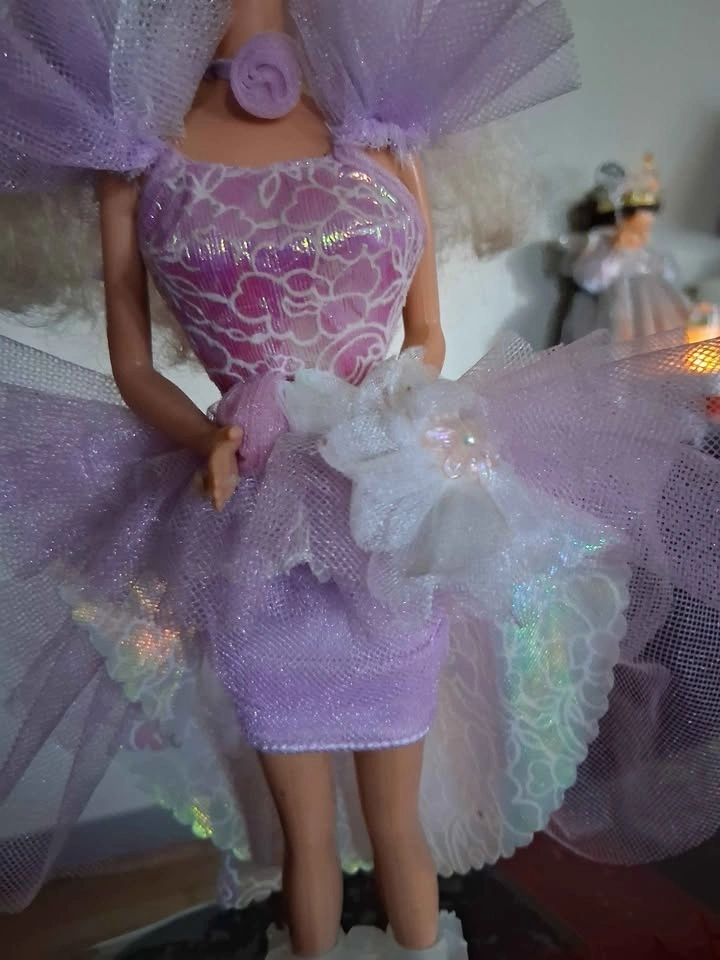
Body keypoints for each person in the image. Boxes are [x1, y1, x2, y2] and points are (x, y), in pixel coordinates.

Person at [1, 3, 719, 958]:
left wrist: (399, 412)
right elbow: (133, 367)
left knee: (396, 823)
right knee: (302, 835)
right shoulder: (135, 156)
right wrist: (207, 438)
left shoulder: (379, 126)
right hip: (250, 524)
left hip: (382, 505)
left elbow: (426, 333)